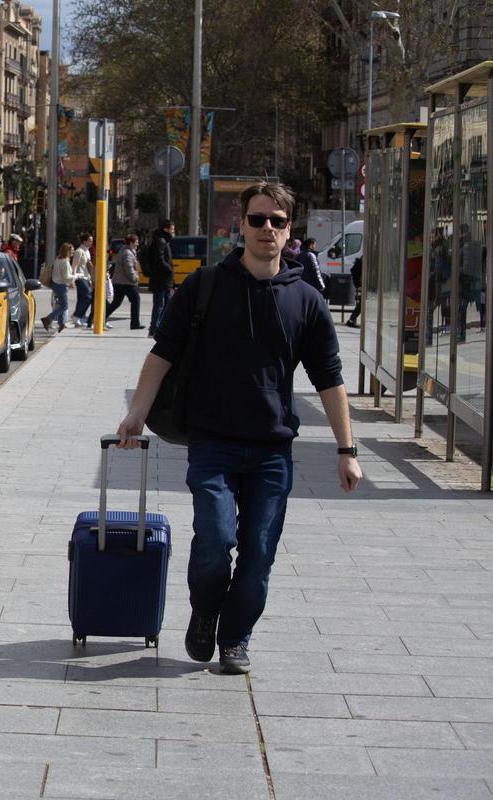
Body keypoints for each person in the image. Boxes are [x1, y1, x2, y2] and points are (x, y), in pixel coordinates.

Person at [115, 181, 362, 675]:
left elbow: (330, 379)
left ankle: (235, 638)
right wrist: (136, 414)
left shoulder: (306, 300)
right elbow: (161, 354)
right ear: (240, 226)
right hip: (213, 442)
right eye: (257, 219)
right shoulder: (205, 286)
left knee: (258, 555)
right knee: (214, 537)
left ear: (290, 230)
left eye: (276, 220)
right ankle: (206, 610)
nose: (266, 228)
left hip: (272, 451)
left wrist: (346, 448)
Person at [104, 233, 144, 330]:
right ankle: (135, 323)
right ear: (131, 242)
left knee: (116, 303)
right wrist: (135, 278)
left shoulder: (127, 251)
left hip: (120, 282)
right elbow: (129, 268)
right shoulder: (127, 253)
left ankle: (101, 317)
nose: (137, 244)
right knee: (136, 300)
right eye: (136, 242)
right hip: (127, 282)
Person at [144, 220, 175, 336]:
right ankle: (154, 329)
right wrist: (169, 269)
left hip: (164, 279)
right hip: (161, 279)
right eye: (172, 229)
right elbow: (159, 260)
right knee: (160, 304)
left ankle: (159, 327)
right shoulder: (161, 241)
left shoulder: (163, 241)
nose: (173, 231)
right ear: (165, 229)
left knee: (167, 303)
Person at [40, 243, 75, 332]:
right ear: (67, 251)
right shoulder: (65, 262)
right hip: (61, 285)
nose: (73, 252)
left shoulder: (57, 260)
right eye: (71, 251)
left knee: (61, 304)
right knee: (64, 306)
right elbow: (66, 277)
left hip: (55, 284)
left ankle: (61, 324)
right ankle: (47, 319)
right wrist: (77, 276)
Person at [71, 233, 93, 325]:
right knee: (88, 298)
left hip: (86, 277)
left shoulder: (87, 251)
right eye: (89, 241)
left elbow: (88, 266)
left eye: (92, 241)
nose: (91, 243)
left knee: (81, 298)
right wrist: (73, 279)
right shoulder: (79, 251)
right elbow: (74, 265)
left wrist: (91, 278)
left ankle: (78, 318)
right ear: (84, 241)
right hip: (80, 277)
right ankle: (76, 315)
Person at [346, 255, 362, 327]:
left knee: (360, 305)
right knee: (360, 305)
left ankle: (351, 320)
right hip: (361, 286)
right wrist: (359, 286)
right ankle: (351, 320)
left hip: (359, 286)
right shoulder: (362, 262)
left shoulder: (360, 261)